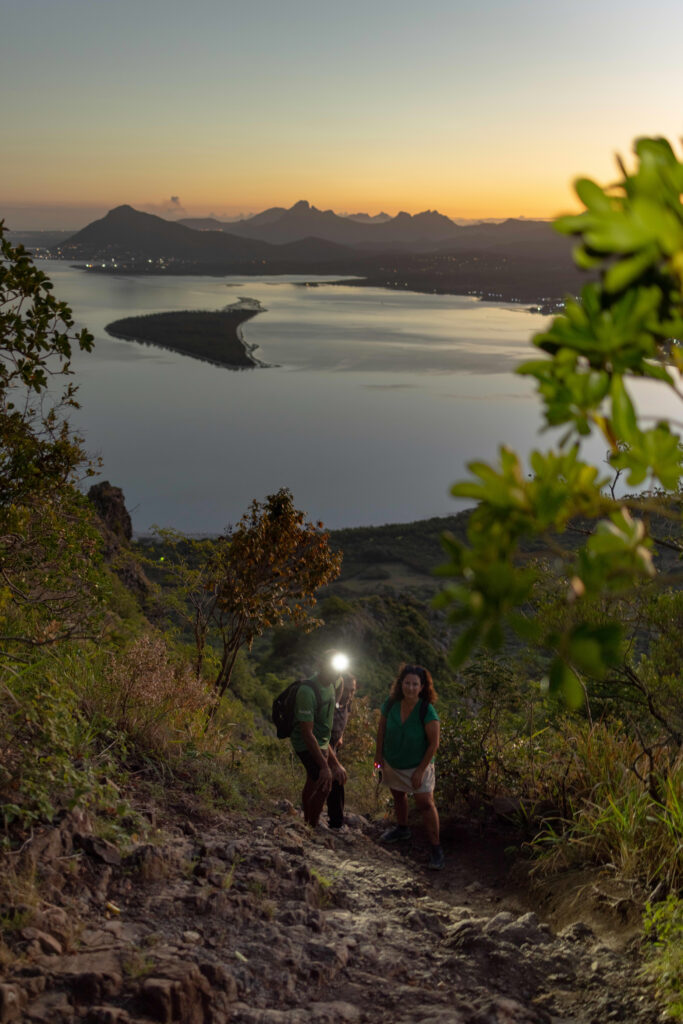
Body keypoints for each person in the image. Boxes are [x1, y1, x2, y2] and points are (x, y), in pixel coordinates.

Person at [375, 662, 444, 870]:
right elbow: (381, 730)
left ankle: (436, 849)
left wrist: (420, 770)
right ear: (401, 684)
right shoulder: (391, 703)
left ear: (422, 687)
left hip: (418, 764)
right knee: (398, 794)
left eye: (415, 684)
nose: (410, 688)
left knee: (425, 803)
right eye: (407, 683)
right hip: (393, 761)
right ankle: (402, 828)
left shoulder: (426, 710)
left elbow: (434, 744)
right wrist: (378, 758)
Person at [290, 651, 348, 827]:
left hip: (323, 740)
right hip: (304, 742)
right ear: (321, 666)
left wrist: (334, 763)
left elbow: (340, 685)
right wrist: (325, 766)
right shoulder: (307, 691)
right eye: (332, 669)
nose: (336, 674)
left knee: (313, 779)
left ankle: (307, 822)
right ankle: (311, 826)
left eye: (338, 670)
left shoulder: (336, 681)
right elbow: (307, 734)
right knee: (324, 782)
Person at [326, 673, 357, 830]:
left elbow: (345, 717)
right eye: (346, 689)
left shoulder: (347, 703)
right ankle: (335, 823)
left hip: (334, 743)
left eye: (352, 690)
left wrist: (341, 736)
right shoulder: (329, 703)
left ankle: (334, 822)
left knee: (331, 780)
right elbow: (320, 735)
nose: (349, 694)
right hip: (322, 742)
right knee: (334, 777)